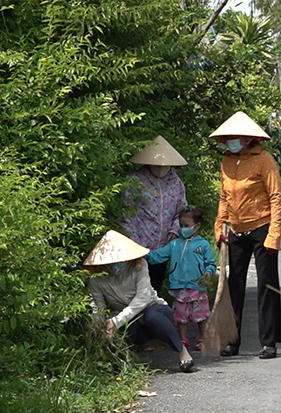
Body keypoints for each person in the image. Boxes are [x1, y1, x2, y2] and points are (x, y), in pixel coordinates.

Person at [210, 111, 281, 360]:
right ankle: (231, 342)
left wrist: (273, 234)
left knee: (267, 284)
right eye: (228, 137)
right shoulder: (226, 162)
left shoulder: (264, 160)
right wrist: (220, 226)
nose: (232, 141)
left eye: (236, 137)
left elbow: (275, 197)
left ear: (249, 139)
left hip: (262, 226)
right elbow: (224, 197)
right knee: (234, 286)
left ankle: (269, 342)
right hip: (236, 230)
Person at [84, 230, 194, 372]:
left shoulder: (139, 266)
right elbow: (97, 306)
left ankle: (182, 350)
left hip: (153, 309)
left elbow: (143, 297)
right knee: (125, 330)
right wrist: (100, 329)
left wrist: (117, 321)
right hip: (127, 318)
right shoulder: (97, 279)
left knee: (152, 316)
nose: (117, 265)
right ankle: (125, 361)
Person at [121, 135, 189, 294]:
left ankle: (154, 315)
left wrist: (175, 229)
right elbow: (126, 214)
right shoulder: (134, 182)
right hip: (138, 245)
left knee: (155, 287)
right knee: (137, 289)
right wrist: (134, 244)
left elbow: (181, 211)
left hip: (164, 246)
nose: (160, 168)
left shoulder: (176, 183)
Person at [147, 206, 216, 351]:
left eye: (186, 226)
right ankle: (183, 339)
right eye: (181, 225)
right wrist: (143, 255)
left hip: (198, 286)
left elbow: (210, 263)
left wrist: (208, 272)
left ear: (197, 226)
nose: (182, 229)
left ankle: (202, 338)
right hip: (179, 286)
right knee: (180, 315)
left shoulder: (203, 245)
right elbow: (158, 256)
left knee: (201, 314)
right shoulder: (174, 244)